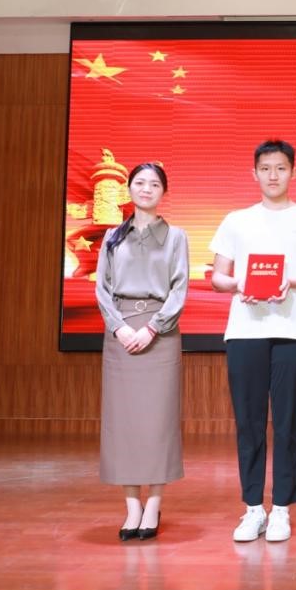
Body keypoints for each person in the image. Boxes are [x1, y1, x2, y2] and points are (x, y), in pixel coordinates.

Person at [209, 140, 296, 542]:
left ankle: (281, 508)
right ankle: (253, 508)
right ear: (254, 173)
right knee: (248, 423)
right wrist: (239, 284)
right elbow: (217, 276)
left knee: (286, 422)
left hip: (292, 332)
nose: (273, 175)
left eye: (280, 168)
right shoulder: (236, 220)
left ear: (293, 172)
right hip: (245, 331)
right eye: (265, 168)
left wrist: (291, 282)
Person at [95, 162, 189, 541]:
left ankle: (154, 503)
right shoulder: (112, 237)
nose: (146, 189)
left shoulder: (176, 236)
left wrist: (152, 327)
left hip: (159, 334)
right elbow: (102, 289)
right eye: (139, 183)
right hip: (119, 334)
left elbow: (179, 289)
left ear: (164, 192)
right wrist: (119, 327)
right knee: (124, 422)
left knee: (157, 421)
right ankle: (132, 506)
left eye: (154, 184)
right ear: (129, 189)